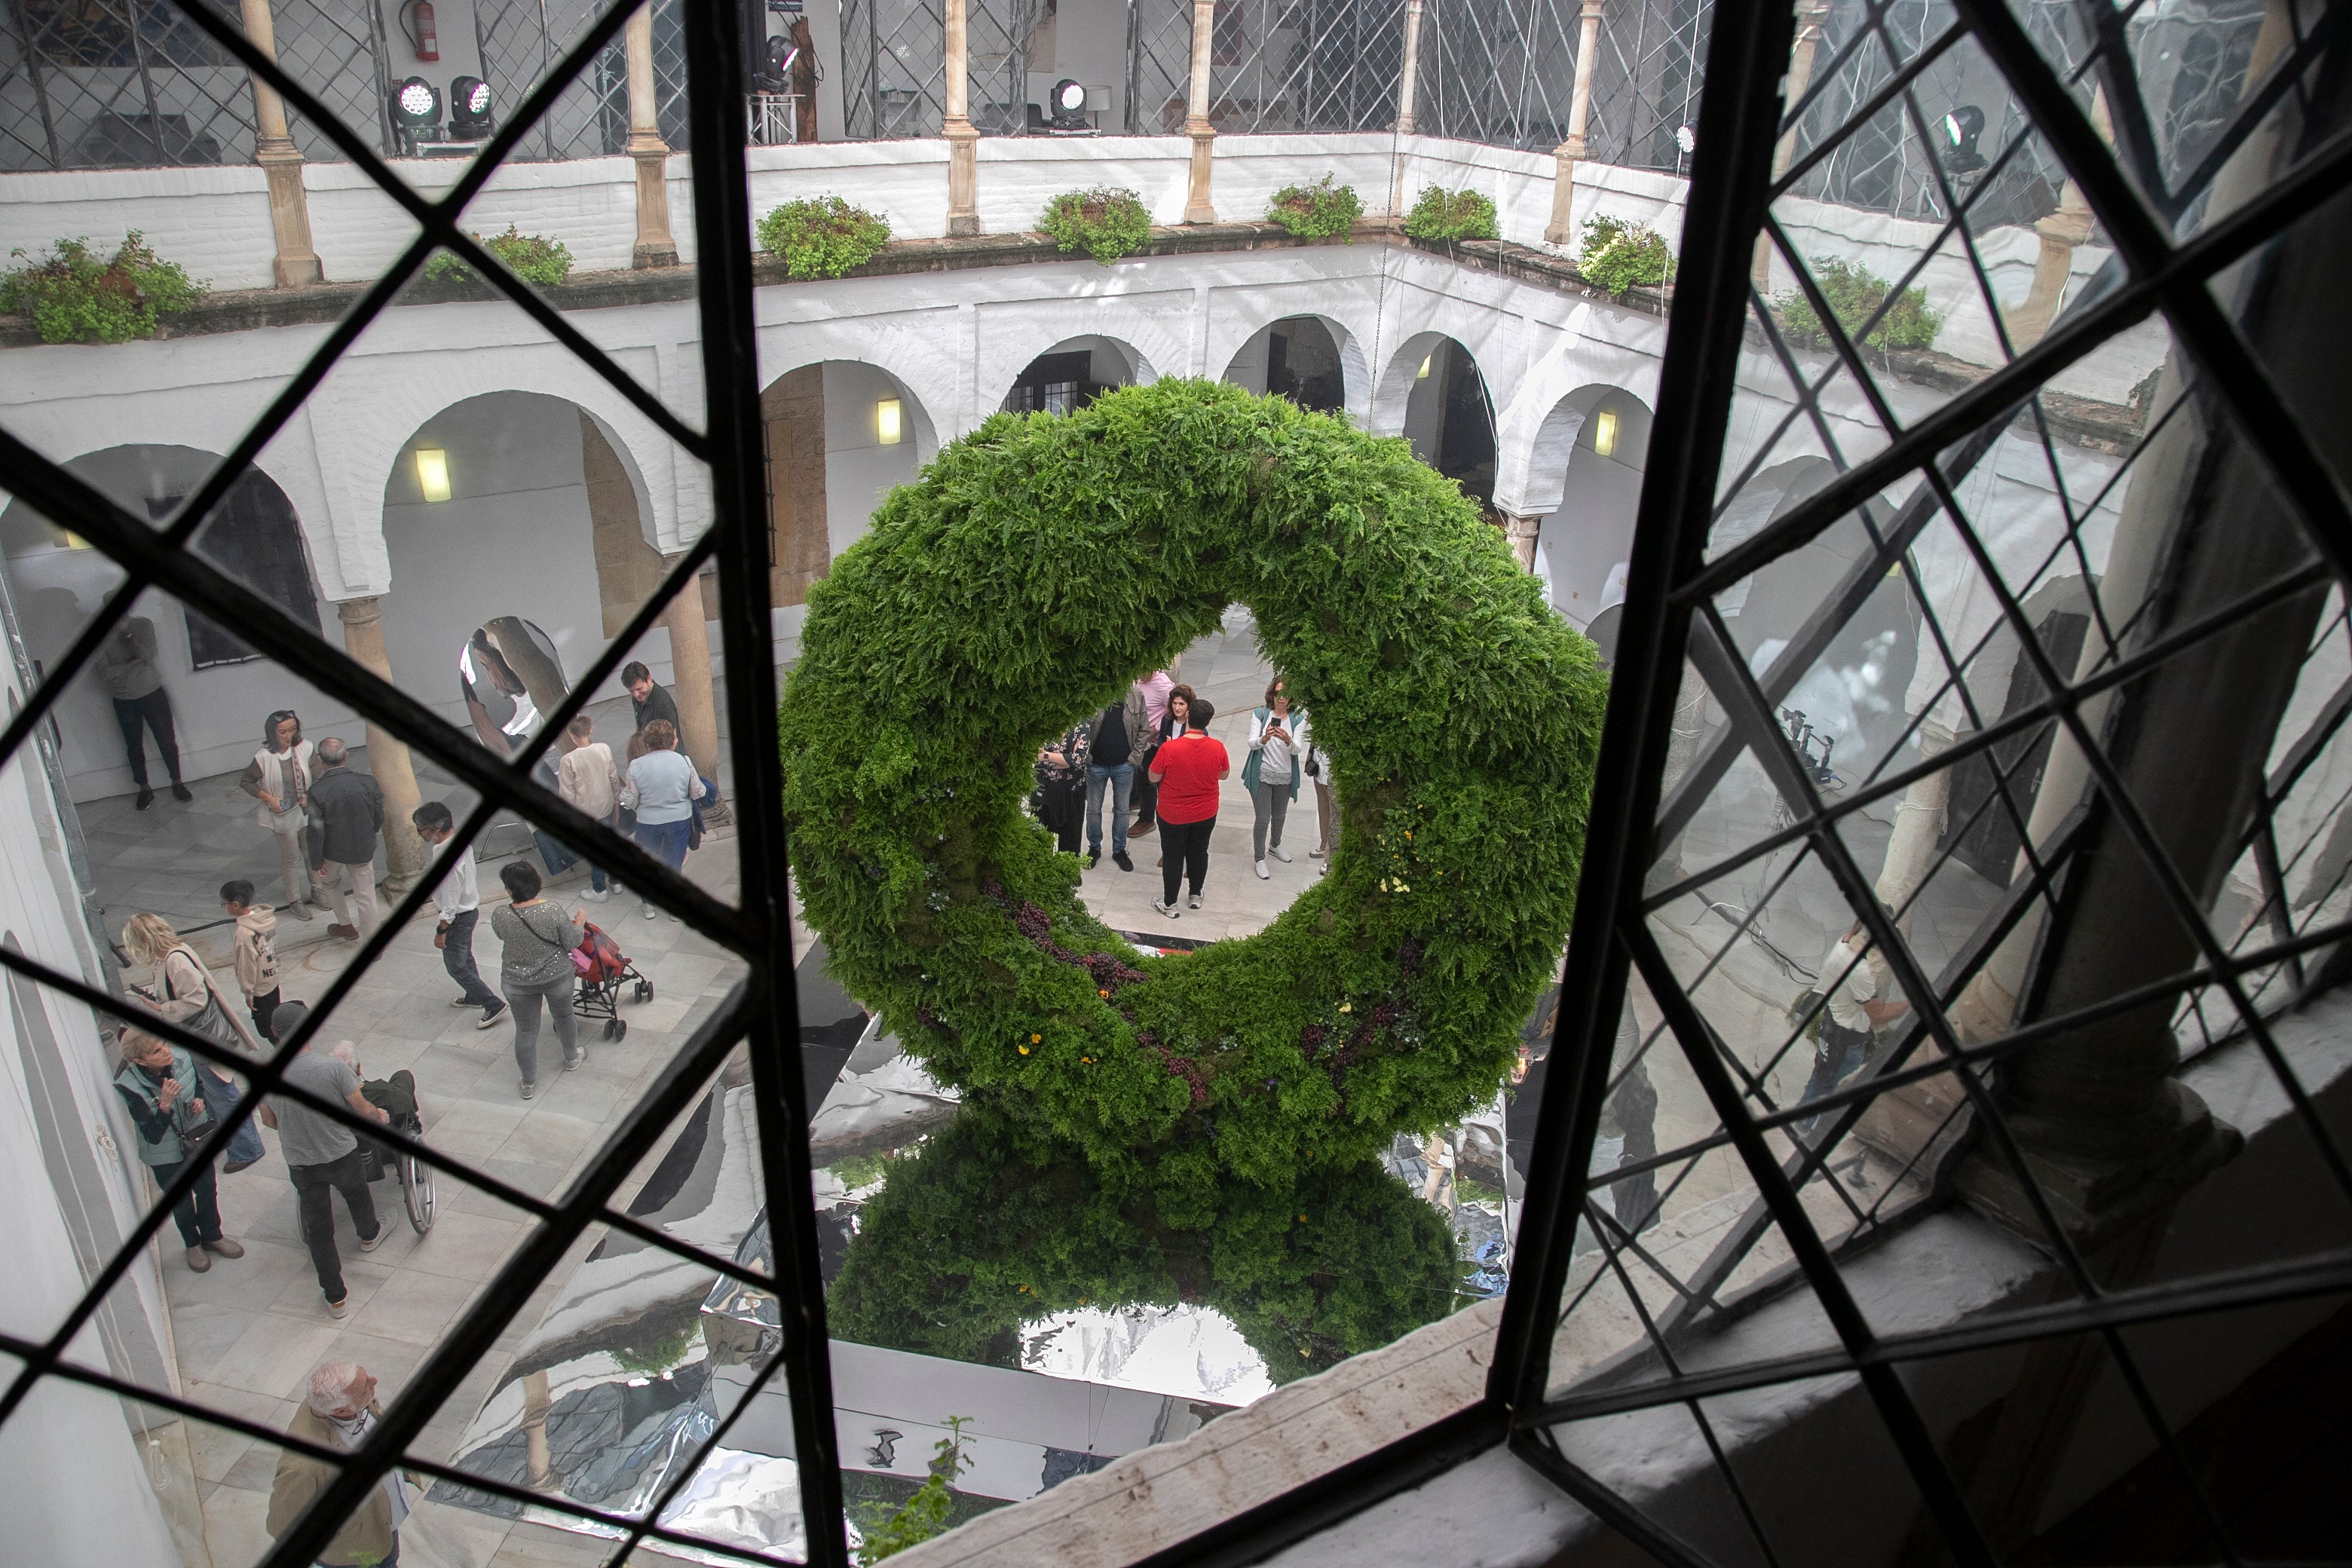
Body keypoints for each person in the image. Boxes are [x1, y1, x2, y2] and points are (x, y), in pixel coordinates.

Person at [256, 1002, 391, 1317]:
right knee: (357, 1193)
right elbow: (362, 1110)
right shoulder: (334, 1069)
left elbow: (270, 1121)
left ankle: (336, 1298)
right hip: (340, 1152)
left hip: (302, 1163)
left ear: (274, 1033)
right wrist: (380, 1116)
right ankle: (369, 1234)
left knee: (318, 1230)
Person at [121, 910, 265, 1171]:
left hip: (204, 1038)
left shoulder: (175, 960)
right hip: (199, 1037)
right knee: (213, 1090)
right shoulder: (170, 955)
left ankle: (247, 1149)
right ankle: (228, 1137)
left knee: (223, 1092)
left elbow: (196, 1000)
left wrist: (160, 1010)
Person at [112, 1029, 244, 1273]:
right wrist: (164, 1105)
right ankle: (192, 1244)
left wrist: (198, 1101)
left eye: (163, 1044)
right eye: (156, 1051)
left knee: (207, 1189)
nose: (166, 1051)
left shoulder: (182, 1057)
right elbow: (151, 1134)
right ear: (141, 1061)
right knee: (181, 1201)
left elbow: (199, 1086)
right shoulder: (128, 1086)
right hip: (165, 1155)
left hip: (196, 1139)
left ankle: (213, 1235)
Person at [268, 1361, 421, 1568]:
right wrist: (344, 1533)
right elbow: (284, 1524)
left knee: (390, 1561)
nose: (374, 1381)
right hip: (353, 1552)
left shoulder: (349, 1404)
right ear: (341, 1411)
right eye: (365, 1385)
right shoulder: (306, 1466)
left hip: (383, 1524)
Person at [1796, 919, 1911, 1138]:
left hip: (1831, 1027)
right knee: (1836, 1089)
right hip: (1846, 1040)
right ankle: (1811, 1128)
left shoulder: (1843, 944)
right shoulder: (1859, 972)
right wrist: (1911, 1003)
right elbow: (1878, 1014)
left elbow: (1855, 928)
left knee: (1820, 1076)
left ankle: (1802, 1121)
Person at [493, 860, 586, 1098]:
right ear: (537, 883)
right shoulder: (551, 909)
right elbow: (573, 941)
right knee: (564, 1017)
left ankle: (528, 1082)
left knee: (525, 1029)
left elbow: (500, 934)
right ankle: (571, 1058)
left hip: (516, 982)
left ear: (510, 890)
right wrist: (580, 923)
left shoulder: (501, 914)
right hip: (557, 976)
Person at [413, 801, 506, 1029]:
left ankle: (492, 1003)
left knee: (455, 966)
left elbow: (452, 897)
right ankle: (474, 995)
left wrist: (441, 929)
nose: (420, 834)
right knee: (465, 958)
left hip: (458, 917)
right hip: (468, 912)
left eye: (421, 829)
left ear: (436, 828)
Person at [95, 614, 189, 810]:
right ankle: (144, 789)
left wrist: (128, 635)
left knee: (166, 740)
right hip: (124, 699)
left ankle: (177, 783)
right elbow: (105, 675)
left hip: (152, 692)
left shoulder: (143, 624)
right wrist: (132, 662)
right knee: (134, 746)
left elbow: (148, 655)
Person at [1147, 697, 1228, 918]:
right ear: (1208, 722)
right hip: (1206, 811)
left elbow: (1153, 776)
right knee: (1199, 852)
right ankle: (1195, 895)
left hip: (1173, 813)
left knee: (1173, 856)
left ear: (1189, 716)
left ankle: (1170, 904)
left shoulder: (1169, 748)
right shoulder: (1217, 747)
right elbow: (1224, 774)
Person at [622, 718, 705, 921]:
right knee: (673, 864)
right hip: (678, 821)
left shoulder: (636, 765)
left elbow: (630, 799)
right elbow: (698, 791)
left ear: (648, 742)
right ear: (673, 740)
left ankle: (648, 904)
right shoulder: (683, 761)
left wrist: (632, 804)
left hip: (648, 823)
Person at [240, 709, 318, 920]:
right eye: (283, 731)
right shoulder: (263, 757)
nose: (288, 735)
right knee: (291, 857)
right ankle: (295, 900)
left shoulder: (306, 748)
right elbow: (246, 782)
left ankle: (317, 890)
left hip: (305, 811)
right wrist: (268, 798)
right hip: (283, 814)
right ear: (272, 733)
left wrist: (309, 795)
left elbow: (318, 774)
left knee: (311, 852)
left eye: (292, 729)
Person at [307, 737, 383, 942]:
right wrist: (369, 833)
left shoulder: (317, 791)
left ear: (321, 761)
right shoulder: (368, 782)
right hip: (362, 847)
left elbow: (315, 830)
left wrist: (316, 861)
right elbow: (378, 817)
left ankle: (345, 925)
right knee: (366, 896)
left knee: (330, 883)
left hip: (333, 851)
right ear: (346, 756)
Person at [556, 711, 626, 902]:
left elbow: (567, 794)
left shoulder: (568, 760)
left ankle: (598, 889)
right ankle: (616, 881)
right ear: (591, 730)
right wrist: (616, 803)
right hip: (606, 806)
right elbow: (613, 777)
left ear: (572, 736)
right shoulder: (603, 749)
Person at [1084, 682, 1149, 871]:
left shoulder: (1136, 696)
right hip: (1096, 765)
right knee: (1094, 809)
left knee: (1122, 810)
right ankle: (1094, 848)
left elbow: (1144, 730)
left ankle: (1119, 850)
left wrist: (1134, 758)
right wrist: (1087, 756)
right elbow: (1081, 726)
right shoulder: (1094, 693)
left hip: (1124, 766)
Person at [1245, 677, 1305, 880]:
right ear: (1272, 694)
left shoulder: (1297, 719)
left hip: (1285, 775)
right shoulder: (1261, 714)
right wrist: (1264, 738)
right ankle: (1259, 857)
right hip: (1262, 773)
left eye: (1286, 695)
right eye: (1278, 693)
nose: (1281, 699)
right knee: (1263, 818)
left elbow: (1297, 748)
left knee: (1280, 815)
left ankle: (1275, 845)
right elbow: (1252, 743)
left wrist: (1287, 739)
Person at [222, 880, 281, 1045]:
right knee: (275, 1018)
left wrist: (248, 992)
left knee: (269, 1029)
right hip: (272, 977)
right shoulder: (265, 918)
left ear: (235, 905)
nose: (224, 907)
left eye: (224, 903)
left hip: (260, 988)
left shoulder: (244, 934)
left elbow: (247, 966)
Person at [1129, 671, 1179, 837]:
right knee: (1137, 772)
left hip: (1151, 742)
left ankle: (1147, 819)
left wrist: (1155, 728)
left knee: (1147, 780)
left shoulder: (1163, 686)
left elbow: (1173, 709)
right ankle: (1135, 800)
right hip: (1137, 738)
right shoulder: (1139, 680)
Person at [1033, 717, 1090, 855]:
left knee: (1071, 844)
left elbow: (1078, 759)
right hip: (1044, 792)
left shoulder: (1081, 725)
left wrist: (1045, 756)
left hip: (1071, 792)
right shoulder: (1040, 722)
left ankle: (1070, 876)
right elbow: (1034, 756)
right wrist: (1064, 761)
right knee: (1040, 843)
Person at [1302, 708, 1337, 865]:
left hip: (1333, 776)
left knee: (1335, 815)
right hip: (1319, 774)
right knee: (1323, 810)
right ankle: (1324, 844)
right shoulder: (1319, 724)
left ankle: (1330, 855)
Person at [623, 660, 682, 743]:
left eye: (639, 689)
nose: (636, 695)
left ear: (648, 679)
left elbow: (671, 738)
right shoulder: (637, 697)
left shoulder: (663, 704)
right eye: (631, 691)